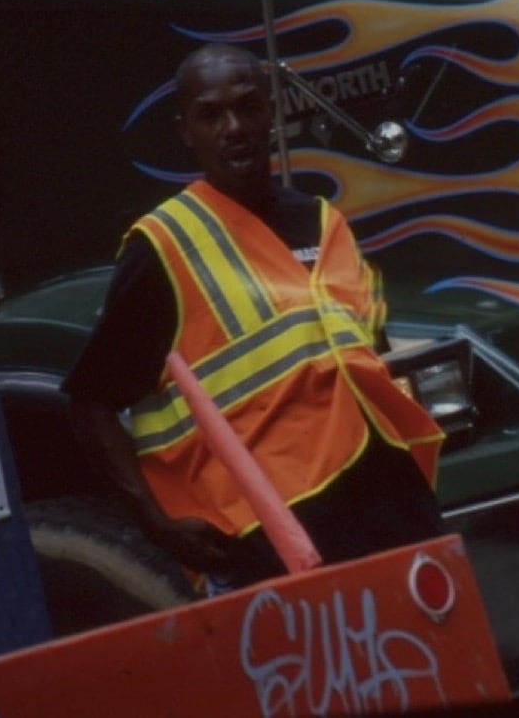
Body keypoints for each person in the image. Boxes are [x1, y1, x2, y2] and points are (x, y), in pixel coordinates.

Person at [63, 43, 445, 590]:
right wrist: (155, 522)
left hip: (390, 507)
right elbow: (90, 400)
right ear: (185, 131)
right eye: (211, 115)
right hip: (276, 538)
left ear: (271, 111)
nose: (233, 127)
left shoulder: (322, 221)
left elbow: (368, 363)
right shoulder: (165, 246)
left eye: (247, 107)